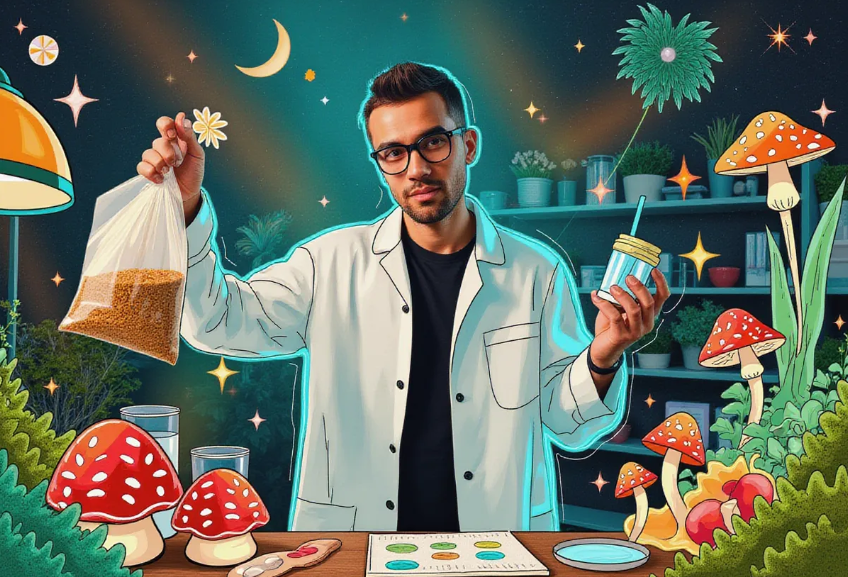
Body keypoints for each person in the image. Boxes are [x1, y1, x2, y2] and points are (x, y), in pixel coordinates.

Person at [136, 61, 670, 532]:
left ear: (469, 144)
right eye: (393, 152)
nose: (416, 167)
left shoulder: (536, 271)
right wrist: (185, 209)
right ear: (380, 163)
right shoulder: (329, 264)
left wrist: (603, 355)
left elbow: (567, 426)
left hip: (493, 544)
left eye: (433, 141)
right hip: (354, 543)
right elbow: (213, 321)